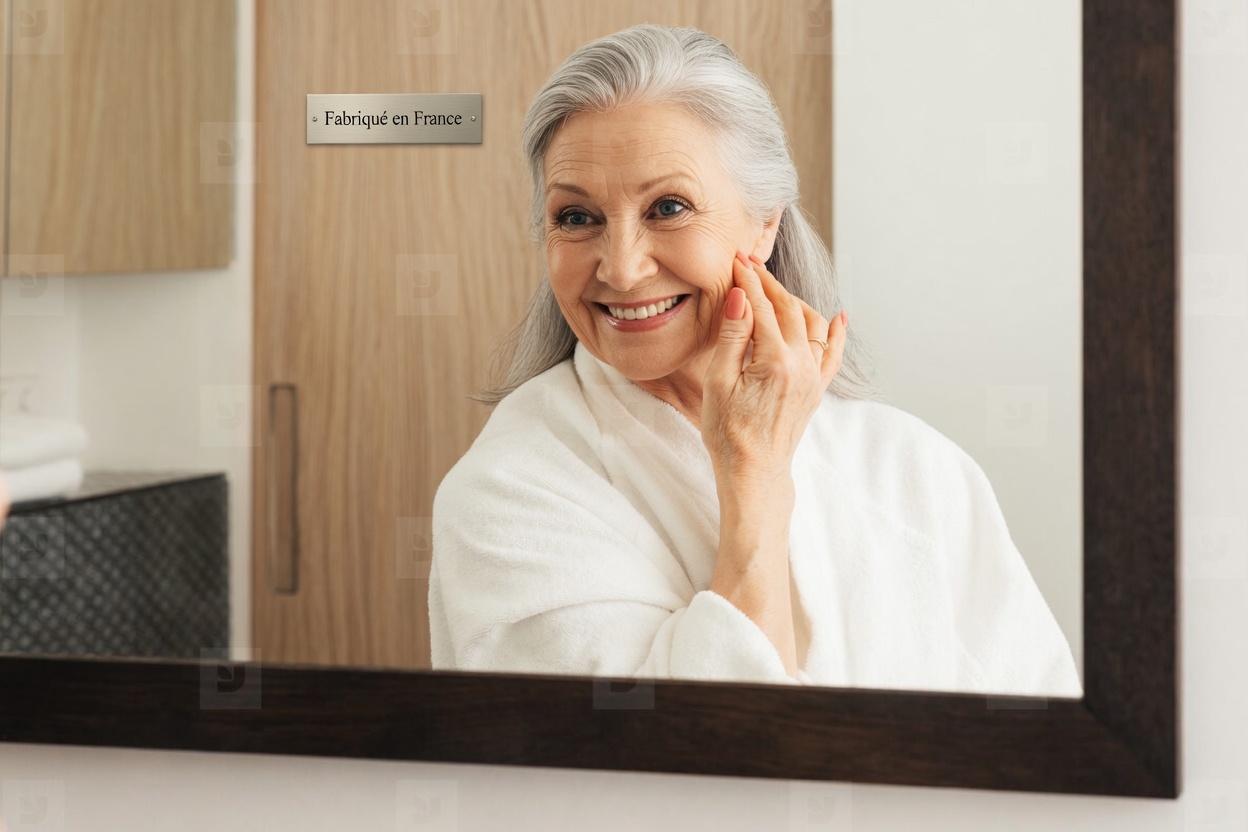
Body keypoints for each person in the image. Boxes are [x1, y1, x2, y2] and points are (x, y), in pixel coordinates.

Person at [427, 23, 1081, 697]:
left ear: (765, 222)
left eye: (668, 207)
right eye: (576, 218)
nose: (621, 268)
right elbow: (680, 749)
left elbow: (1041, 731)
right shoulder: (507, 493)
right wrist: (754, 482)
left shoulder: (914, 471)